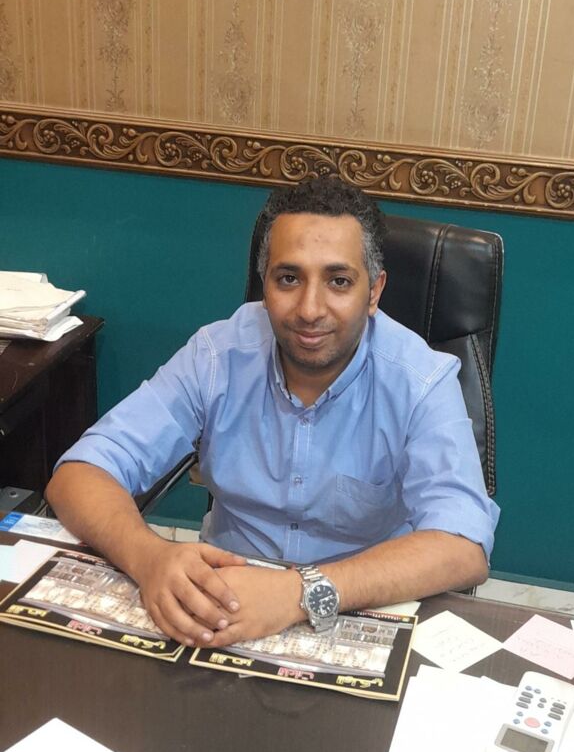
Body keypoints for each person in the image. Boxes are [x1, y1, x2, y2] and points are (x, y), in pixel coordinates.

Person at [46, 177, 499, 650]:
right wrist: (149, 557)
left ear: (373, 291)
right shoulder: (217, 355)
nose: (309, 309)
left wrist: (299, 593)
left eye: (338, 281)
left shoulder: (421, 380)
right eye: (288, 279)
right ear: (264, 284)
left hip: (358, 606)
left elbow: (462, 544)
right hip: (223, 605)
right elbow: (78, 473)